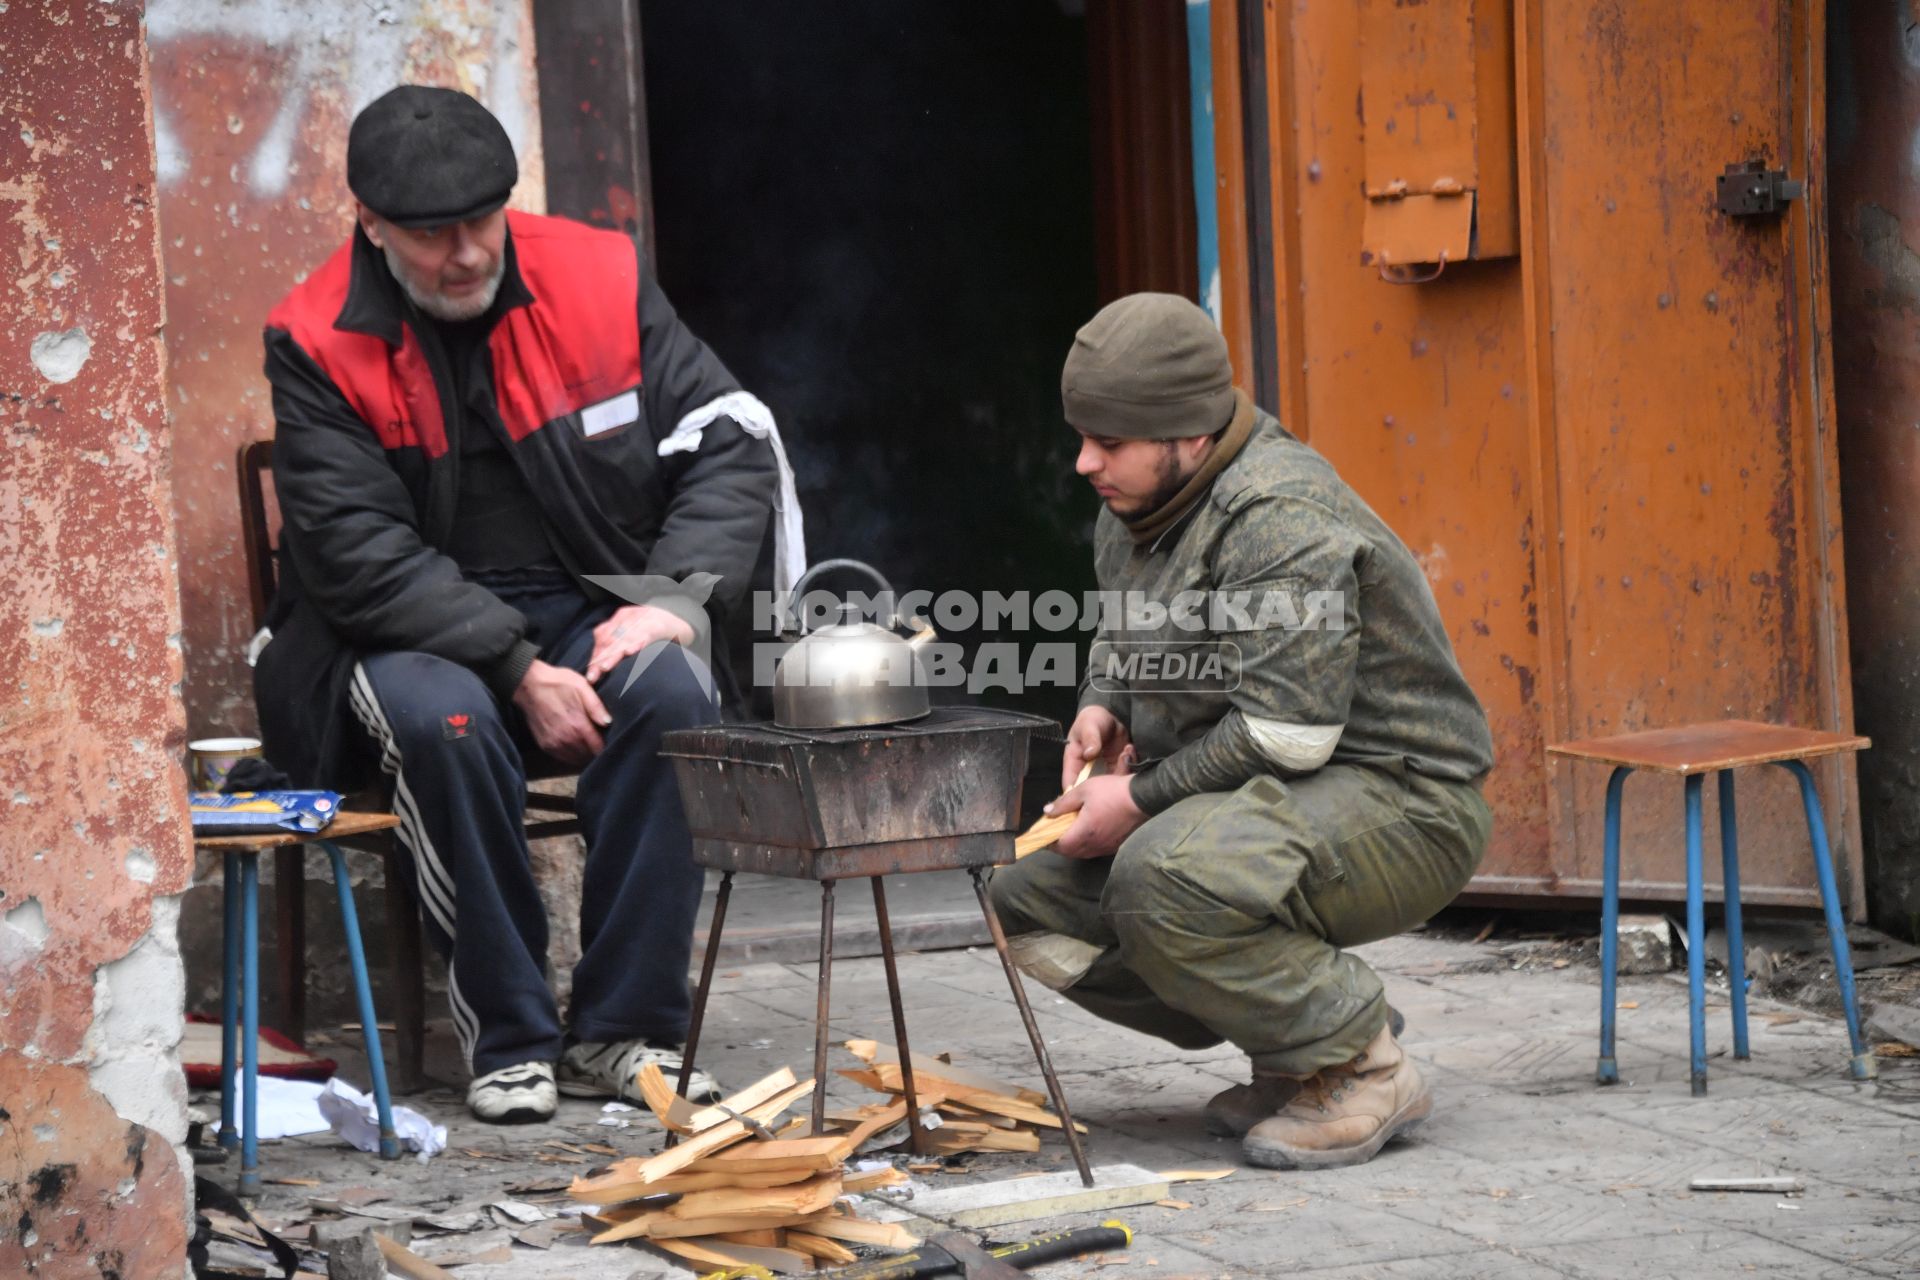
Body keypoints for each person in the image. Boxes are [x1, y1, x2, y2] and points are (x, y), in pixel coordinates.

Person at [256, 85, 801, 1124]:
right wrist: (515, 669)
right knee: (448, 723)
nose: (464, 254)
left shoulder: (597, 272)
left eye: (480, 221)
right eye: (429, 234)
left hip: (586, 601)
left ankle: (621, 1028)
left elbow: (729, 439)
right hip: (395, 630)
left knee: (677, 697)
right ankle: (508, 1035)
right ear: (371, 225)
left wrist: (673, 601)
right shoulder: (311, 337)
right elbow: (357, 556)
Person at [990, 293, 1494, 1170]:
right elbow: (1124, 632)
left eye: (1109, 442)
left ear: (1188, 436)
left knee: (1160, 879)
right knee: (1018, 899)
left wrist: (1138, 797)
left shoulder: (1276, 516)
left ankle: (1361, 1061)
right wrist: (1101, 703)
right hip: (1268, 791)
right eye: (1083, 435)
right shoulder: (1137, 507)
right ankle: (1297, 1033)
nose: (1083, 462)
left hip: (1404, 799)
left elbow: (1291, 734)